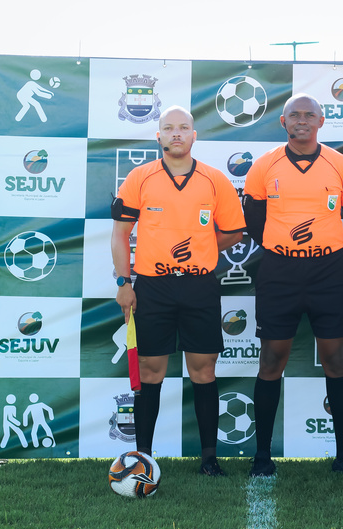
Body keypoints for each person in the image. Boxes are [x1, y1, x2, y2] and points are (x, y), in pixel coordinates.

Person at [111, 105, 246, 476]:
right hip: (153, 286)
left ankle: (209, 459)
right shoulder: (140, 178)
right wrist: (124, 283)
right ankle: (142, 458)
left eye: (183, 127)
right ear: (158, 136)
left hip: (199, 285)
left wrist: (202, 248)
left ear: (193, 135)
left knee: (203, 370)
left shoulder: (215, 180)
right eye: (168, 128)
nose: (176, 133)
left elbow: (234, 231)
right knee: (150, 370)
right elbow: (120, 234)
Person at [242, 93, 343, 476]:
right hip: (279, 272)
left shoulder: (342, 166)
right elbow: (254, 221)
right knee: (271, 360)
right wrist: (283, 248)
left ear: (321, 121)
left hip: (329, 272)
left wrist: (325, 248)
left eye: (309, 115)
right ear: (283, 122)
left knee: (335, 360)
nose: (301, 120)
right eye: (294, 115)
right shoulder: (263, 166)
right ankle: (262, 456)